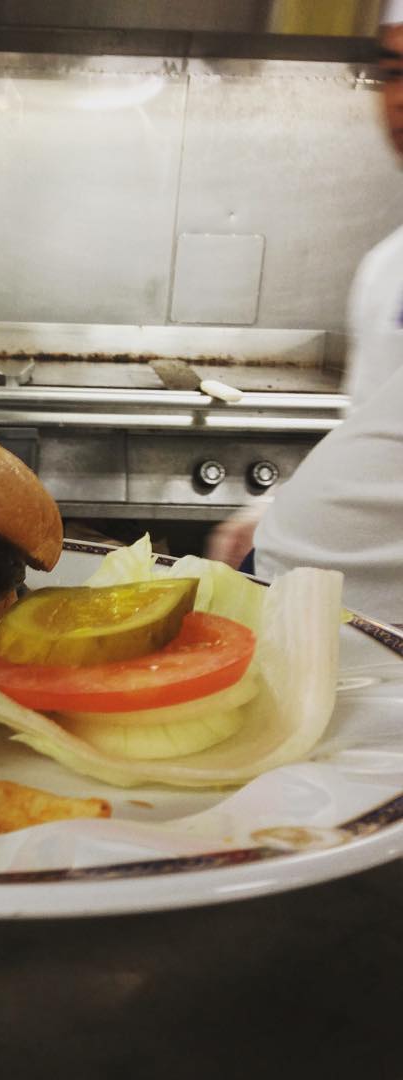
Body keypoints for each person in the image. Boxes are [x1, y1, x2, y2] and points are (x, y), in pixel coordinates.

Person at [207, 1, 403, 623]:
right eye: (394, 70)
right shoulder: (387, 267)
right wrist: (278, 511)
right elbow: (369, 433)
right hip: (301, 611)